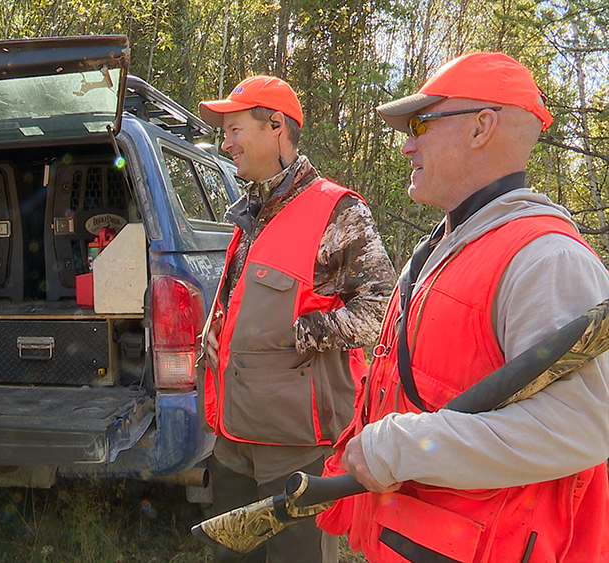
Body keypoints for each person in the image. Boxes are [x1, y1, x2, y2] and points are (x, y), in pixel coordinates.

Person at [318, 53, 609, 562]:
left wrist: (402, 447)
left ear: (481, 128)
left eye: (421, 125)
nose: (406, 145)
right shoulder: (440, 251)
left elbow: (581, 426)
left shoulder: (546, 259)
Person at [197, 75, 396, 562]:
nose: (226, 144)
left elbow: (381, 309)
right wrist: (216, 326)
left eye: (235, 130)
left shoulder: (337, 210)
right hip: (233, 438)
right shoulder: (252, 211)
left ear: (276, 126)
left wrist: (297, 334)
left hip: (296, 447)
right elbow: (250, 299)